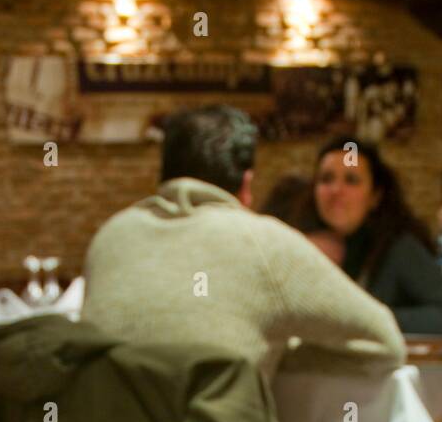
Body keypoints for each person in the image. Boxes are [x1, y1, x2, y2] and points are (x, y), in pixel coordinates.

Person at [82, 106, 405, 378]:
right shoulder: (267, 243)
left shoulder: (110, 236)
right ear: (247, 184)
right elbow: (386, 344)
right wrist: (275, 358)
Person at [288, 137, 442, 335]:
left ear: (375, 197)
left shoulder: (398, 247)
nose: (336, 190)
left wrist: (367, 319)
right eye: (326, 179)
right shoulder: (298, 243)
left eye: (351, 180)